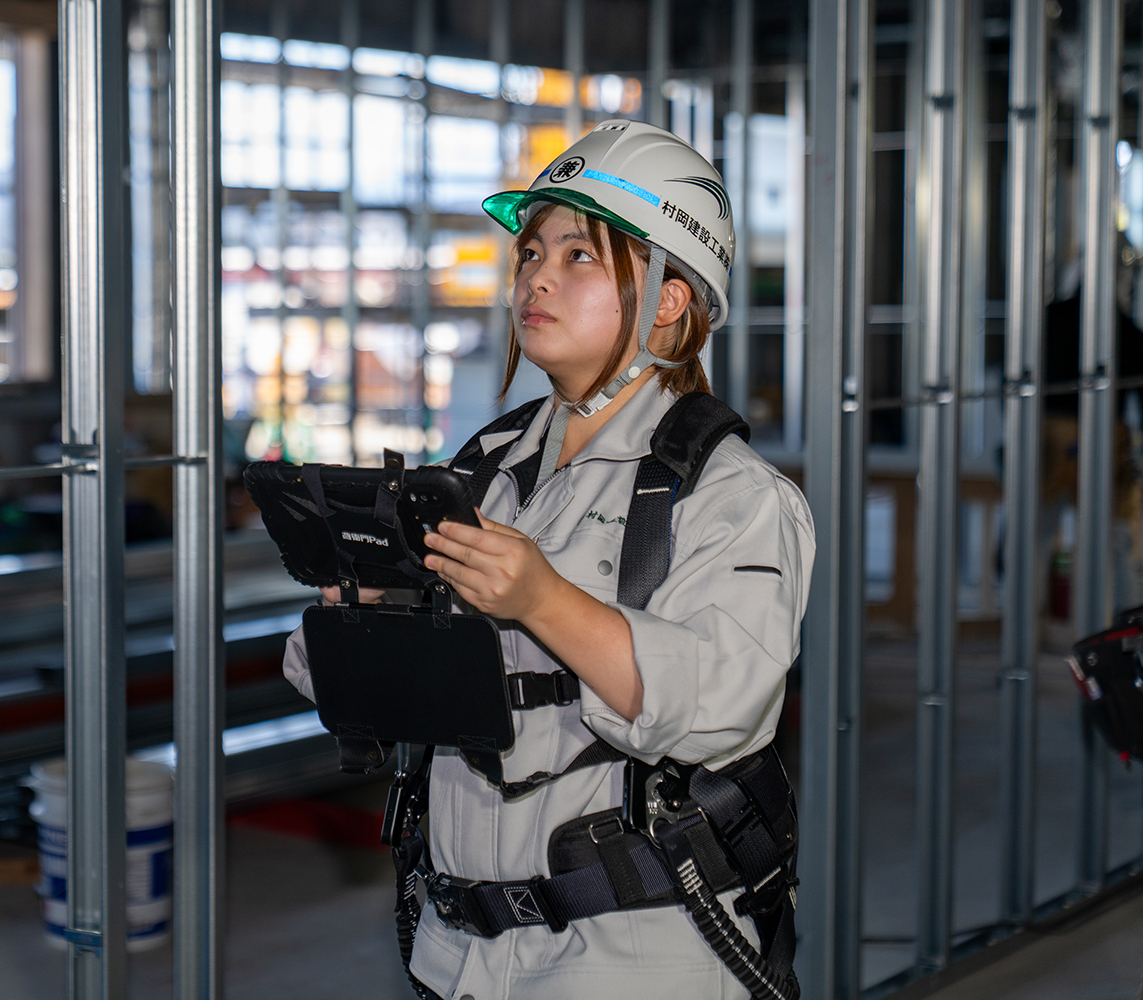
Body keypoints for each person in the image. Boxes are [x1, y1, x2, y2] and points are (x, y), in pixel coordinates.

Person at [282, 121, 815, 1000]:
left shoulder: (732, 495)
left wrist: (542, 599)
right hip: (461, 954)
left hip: (635, 959)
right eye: (531, 250)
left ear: (671, 300)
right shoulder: (482, 471)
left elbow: (724, 708)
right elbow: (330, 681)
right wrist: (365, 604)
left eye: (580, 255)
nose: (536, 274)